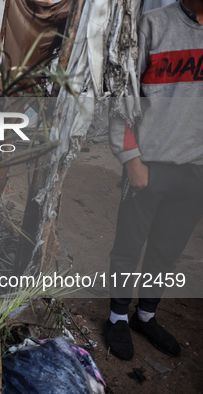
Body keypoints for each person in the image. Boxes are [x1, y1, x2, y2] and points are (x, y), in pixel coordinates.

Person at [104, 0, 203, 360]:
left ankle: (145, 315)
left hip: (196, 170)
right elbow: (122, 94)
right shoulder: (152, 25)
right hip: (149, 163)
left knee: (167, 249)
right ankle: (116, 317)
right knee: (129, 247)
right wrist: (130, 157)